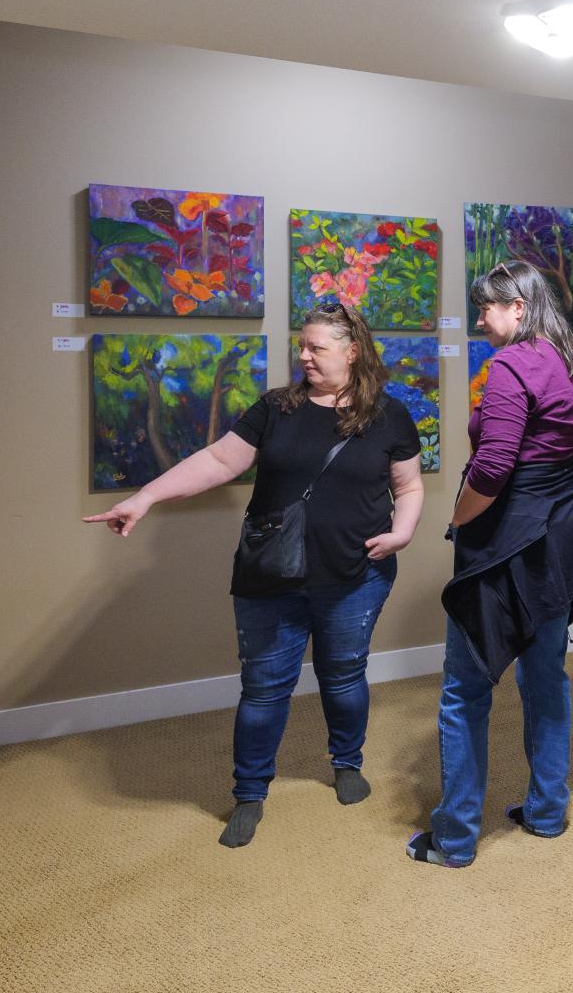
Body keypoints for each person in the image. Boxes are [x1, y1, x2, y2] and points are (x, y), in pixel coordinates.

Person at [85, 303, 426, 848]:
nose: (304, 355)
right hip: (271, 578)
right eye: (303, 345)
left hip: (357, 575)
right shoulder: (277, 408)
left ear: (352, 352)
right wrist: (145, 496)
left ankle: (346, 762)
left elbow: (407, 487)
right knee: (265, 690)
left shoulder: (388, 415)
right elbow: (219, 462)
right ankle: (249, 793)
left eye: (317, 346)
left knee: (344, 676)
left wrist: (403, 532)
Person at [407, 260, 573, 867]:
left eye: (487, 307)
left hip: (507, 545)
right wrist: (545, 490)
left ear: (517, 307)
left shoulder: (510, 365)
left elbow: (492, 468)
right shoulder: (572, 366)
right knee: (544, 677)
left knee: (464, 692)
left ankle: (455, 839)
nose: (479, 319)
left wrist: (459, 520)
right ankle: (546, 813)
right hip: (560, 543)